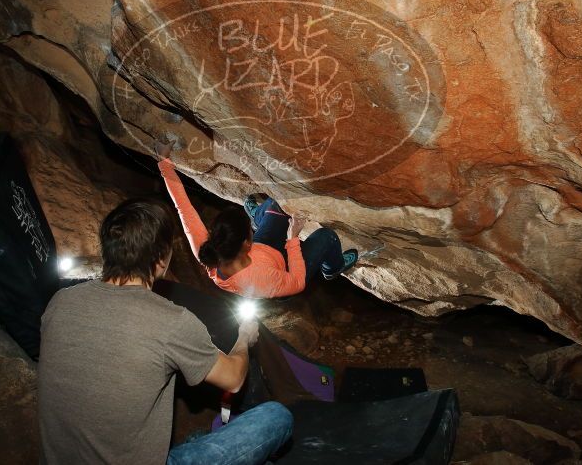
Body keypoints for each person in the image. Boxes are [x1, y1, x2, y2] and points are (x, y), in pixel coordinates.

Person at [38, 198, 293, 465]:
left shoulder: (60, 302)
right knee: (277, 417)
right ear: (161, 259)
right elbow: (233, 379)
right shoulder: (171, 321)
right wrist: (244, 337)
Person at [155, 140, 358, 298]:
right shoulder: (260, 280)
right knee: (327, 237)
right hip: (284, 270)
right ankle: (333, 268)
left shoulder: (209, 249)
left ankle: (260, 216)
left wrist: (164, 163)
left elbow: (184, 208)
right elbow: (297, 283)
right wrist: (293, 240)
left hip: (265, 251)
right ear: (246, 243)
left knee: (277, 203)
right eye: (250, 231)